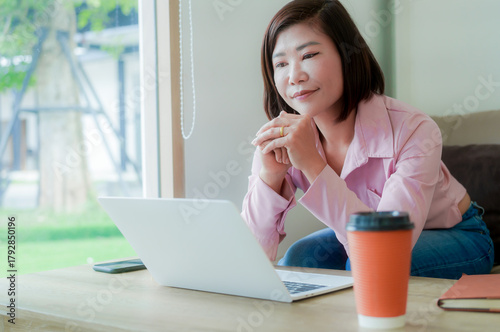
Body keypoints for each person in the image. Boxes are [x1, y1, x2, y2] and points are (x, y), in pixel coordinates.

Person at [241, 0, 494, 279]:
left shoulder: (415, 130)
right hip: (367, 239)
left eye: (309, 55)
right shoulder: (285, 137)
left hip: (455, 234)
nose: (294, 76)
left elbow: (384, 249)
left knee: (366, 267)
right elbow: (251, 254)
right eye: (281, 64)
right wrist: (269, 177)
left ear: (347, 54)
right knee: (299, 259)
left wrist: (313, 165)